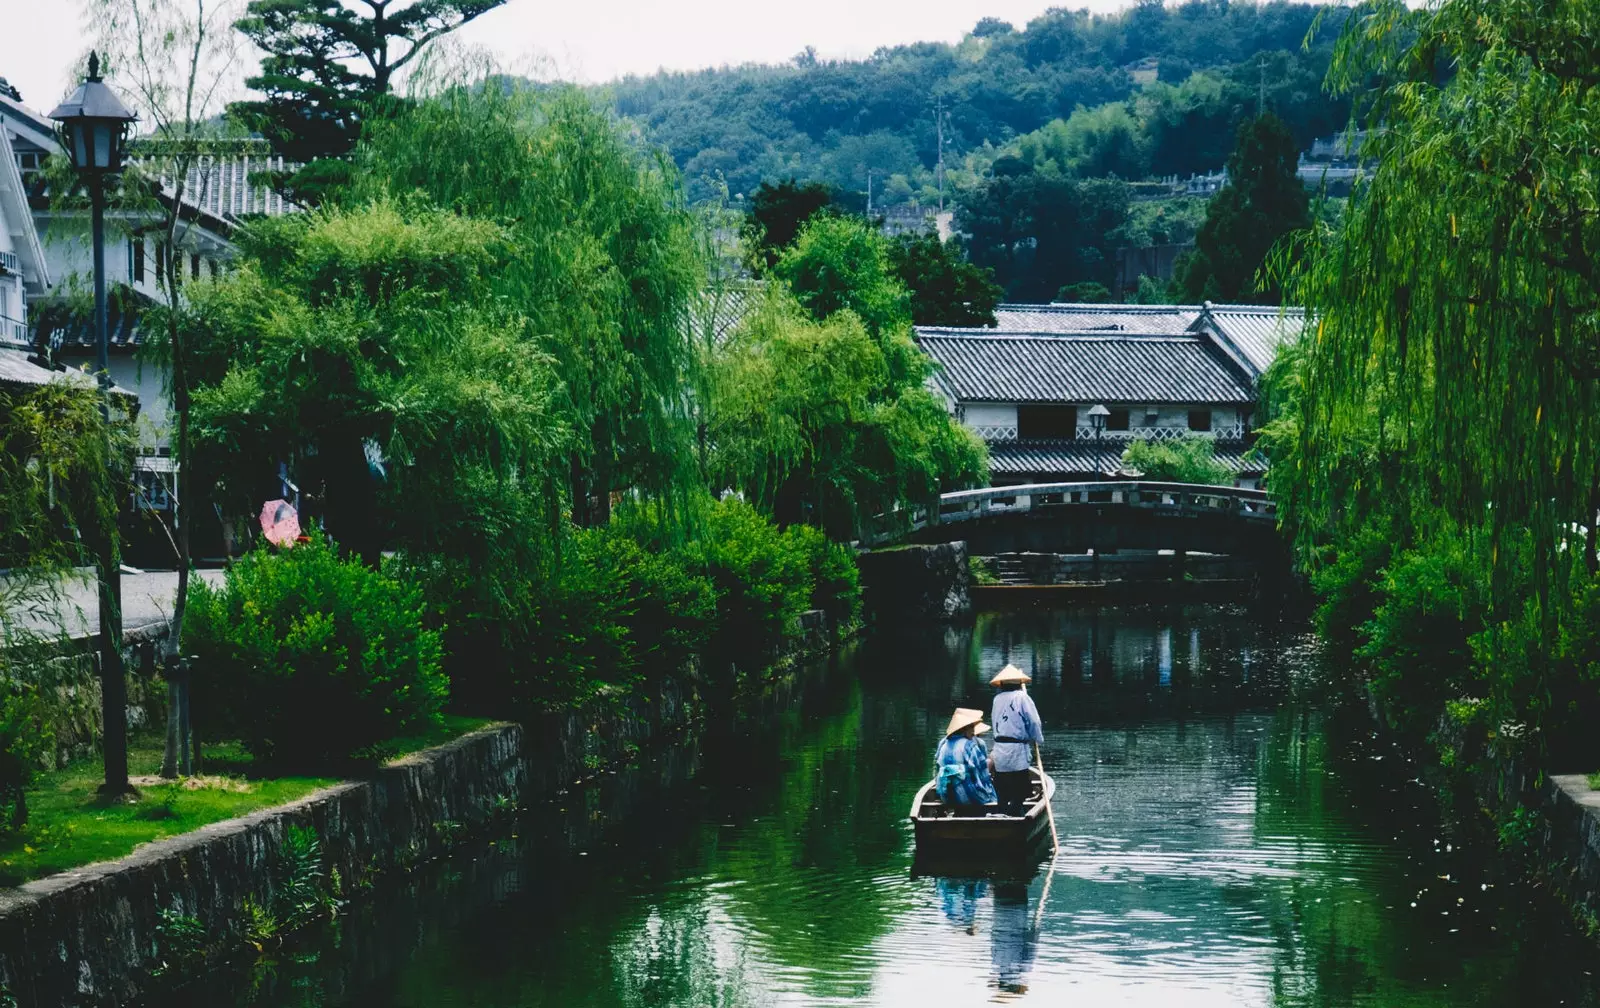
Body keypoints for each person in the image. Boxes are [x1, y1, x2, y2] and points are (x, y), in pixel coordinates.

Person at [989, 664, 1043, 817]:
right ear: (1019, 683)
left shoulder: (996, 699)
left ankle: (1003, 813)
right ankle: (1013, 815)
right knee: (1021, 789)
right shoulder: (1022, 697)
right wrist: (1037, 739)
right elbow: (1033, 722)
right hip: (1016, 749)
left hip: (1000, 748)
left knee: (1002, 787)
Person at [935, 707, 998, 814]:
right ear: (964, 729)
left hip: (946, 797)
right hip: (968, 798)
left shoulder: (943, 744)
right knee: (994, 794)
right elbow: (983, 776)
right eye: (972, 727)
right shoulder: (970, 746)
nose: (974, 732)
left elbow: (937, 771)